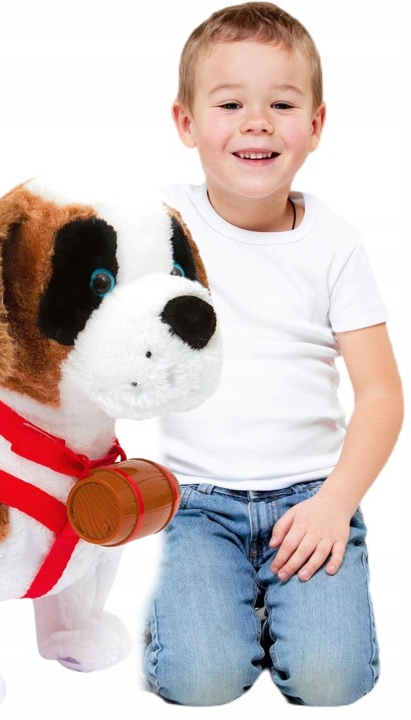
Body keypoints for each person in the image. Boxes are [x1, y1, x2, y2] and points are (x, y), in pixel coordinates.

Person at [142, 1, 404, 707]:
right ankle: (222, 610)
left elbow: (382, 394)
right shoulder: (157, 226)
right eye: (230, 103)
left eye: (282, 104)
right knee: (200, 681)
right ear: (186, 123)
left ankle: (268, 608)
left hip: (309, 498)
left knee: (332, 682)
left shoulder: (335, 244)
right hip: (191, 503)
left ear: (316, 126)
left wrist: (335, 503)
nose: (256, 122)